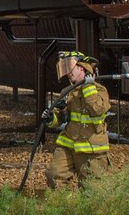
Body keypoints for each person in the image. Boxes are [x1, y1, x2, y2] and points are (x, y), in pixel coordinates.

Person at [45, 50, 110, 189]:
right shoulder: (67, 92)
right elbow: (61, 119)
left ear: (82, 68)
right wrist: (51, 118)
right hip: (68, 144)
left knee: (93, 189)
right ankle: (64, 208)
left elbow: (97, 111)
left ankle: (85, 211)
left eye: (70, 68)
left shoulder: (99, 90)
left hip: (91, 149)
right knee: (54, 176)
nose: (68, 72)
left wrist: (87, 87)